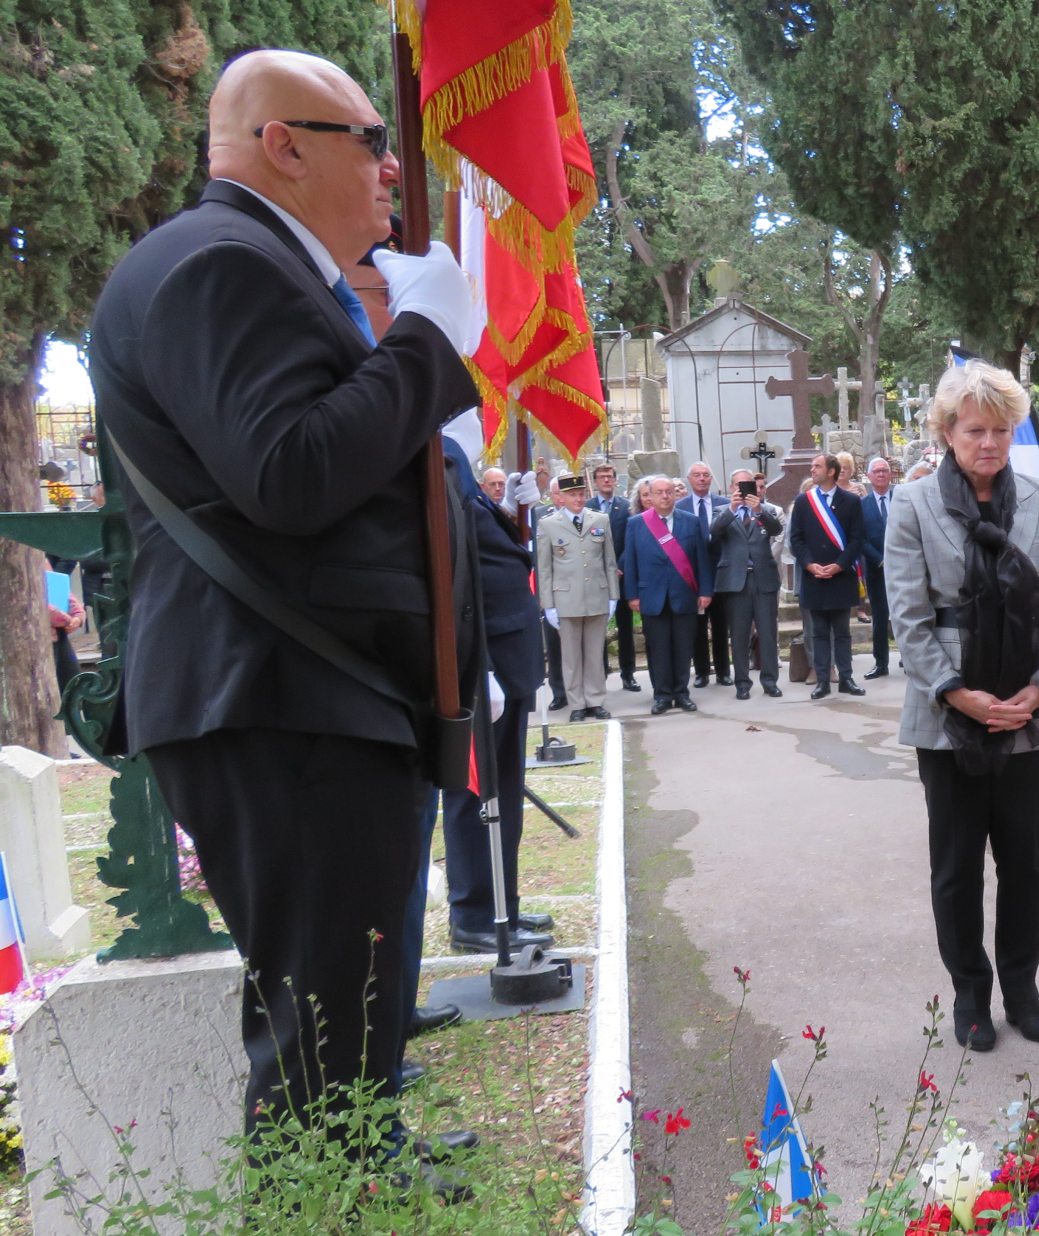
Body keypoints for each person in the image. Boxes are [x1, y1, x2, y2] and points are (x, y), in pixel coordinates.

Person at [87, 49, 484, 1142]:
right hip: (279, 700)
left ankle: (369, 1168)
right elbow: (293, 471)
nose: (392, 168)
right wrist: (426, 342)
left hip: (311, 698)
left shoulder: (257, 261)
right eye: (369, 142)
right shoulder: (221, 261)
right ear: (283, 144)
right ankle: (334, 1198)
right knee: (318, 1043)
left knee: (349, 1013)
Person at [884, 359, 1039, 1050]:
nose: (988, 443)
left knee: (1023, 861)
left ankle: (1022, 990)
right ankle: (972, 992)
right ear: (947, 431)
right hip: (948, 718)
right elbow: (908, 617)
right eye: (974, 430)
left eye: (1000, 430)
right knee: (959, 863)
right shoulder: (912, 505)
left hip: (1030, 711)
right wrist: (960, 695)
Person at [443, 439, 552, 955]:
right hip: (484, 659)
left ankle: (501, 901)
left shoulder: (451, 452)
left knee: (503, 792)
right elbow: (452, 568)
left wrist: (509, 511)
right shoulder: (435, 452)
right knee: (474, 795)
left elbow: (483, 548)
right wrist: (477, 665)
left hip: (508, 656)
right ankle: (473, 913)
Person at [623, 475, 715, 714]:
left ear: (675, 494)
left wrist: (705, 590)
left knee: (683, 647)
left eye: (669, 491)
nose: (664, 496)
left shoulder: (691, 522)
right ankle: (662, 695)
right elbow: (630, 561)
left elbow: (701, 560)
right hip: (651, 596)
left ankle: (682, 694)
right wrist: (632, 595)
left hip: (684, 594)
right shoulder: (636, 523)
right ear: (650, 497)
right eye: (659, 492)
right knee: (658, 648)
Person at [538, 473, 617, 721]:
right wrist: (548, 605)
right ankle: (577, 704)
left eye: (581, 494)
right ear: (561, 497)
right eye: (573, 495)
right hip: (566, 599)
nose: (578, 499)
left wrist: (613, 595)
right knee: (570, 656)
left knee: (594, 653)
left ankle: (596, 700)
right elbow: (544, 568)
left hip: (596, 594)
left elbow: (609, 561)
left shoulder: (600, 519)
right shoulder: (549, 524)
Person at [789, 453, 866, 699]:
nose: (812, 470)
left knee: (842, 632)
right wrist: (810, 565)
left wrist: (840, 565)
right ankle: (822, 680)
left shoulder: (851, 501)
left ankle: (846, 679)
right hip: (814, 577)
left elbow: (856, 539)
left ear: (831, 471)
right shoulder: (804, 501)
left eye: (817, 466)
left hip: (840, 577)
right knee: (819, 632)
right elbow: (796, 538)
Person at [708, 469, 785, 700]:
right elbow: (714, 531)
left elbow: (776, 529)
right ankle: (742, 683)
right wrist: (732, 509)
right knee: (739, 635)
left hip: (763, 579)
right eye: (739, 485)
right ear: (732, 488)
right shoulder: (722, 510)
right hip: (735, 581)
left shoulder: (766, 510)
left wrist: (758, 509)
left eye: (748, 484)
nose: (743, 489)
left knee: (768, 633)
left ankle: (770, 681)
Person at [676, 461, 730, 688]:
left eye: (706, 475)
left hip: (720, 572)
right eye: (697, 475)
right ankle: (701, 672)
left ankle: (723, 671)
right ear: (689, 479)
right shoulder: (680, 507)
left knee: (720, 625)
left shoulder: (725, 504)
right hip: (693, 576)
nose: (701, 479)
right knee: (698, 626)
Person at [587, 462, 640, 692]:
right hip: (597, 577)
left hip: (622, 575)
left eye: (609, 476)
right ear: (596, 482)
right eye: (601, 477)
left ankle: (628, 674)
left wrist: (618, 567)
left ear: (616, 480)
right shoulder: (587, 507)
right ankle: (601, 672)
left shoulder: (626, 507)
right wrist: (603, 568)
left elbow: (630, 541)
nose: (606, 481)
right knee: (597, 627)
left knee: (625, 626)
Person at [860, 457, 898, 679]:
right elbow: (859, 538)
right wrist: (879, 559)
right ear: (869, 476)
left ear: (890, 474)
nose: (881, 474)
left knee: (906, 614)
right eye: (876, 471)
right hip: (876, 569)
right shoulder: (862, 505)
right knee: (880, 617)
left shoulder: (901, 499)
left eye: (885, 470)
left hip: (904, 567)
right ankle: (881, 663)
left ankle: (909, 659)